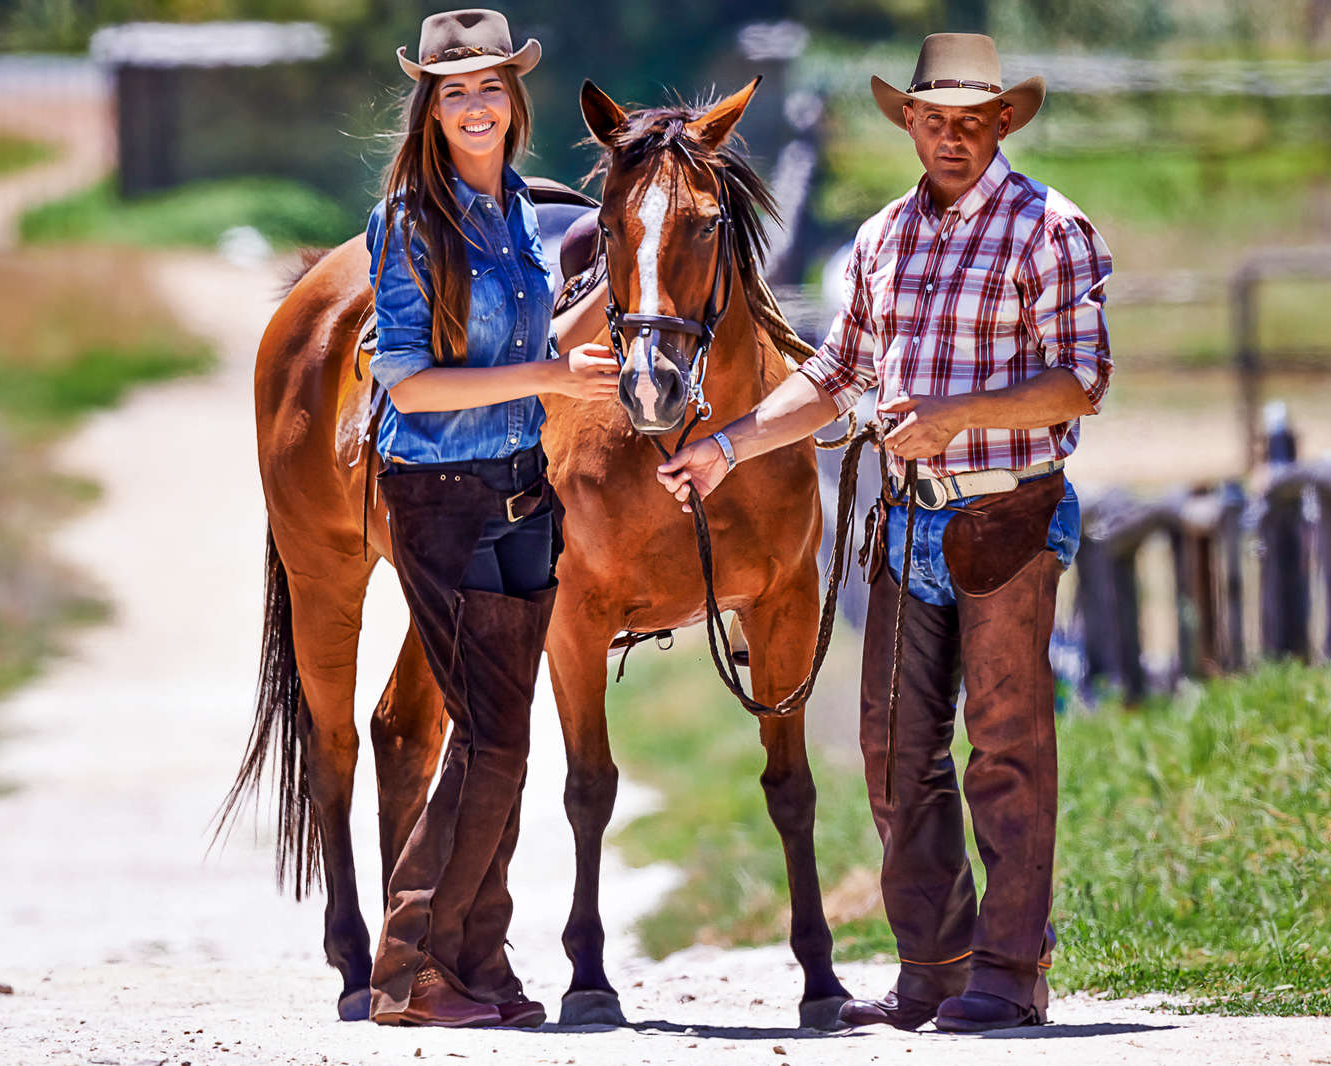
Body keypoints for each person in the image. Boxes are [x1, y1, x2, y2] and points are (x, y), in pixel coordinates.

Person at [657, 33, 1112, 1034]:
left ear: (1001, 122)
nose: (950, 137)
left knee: (1004, 743)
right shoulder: (880, 240)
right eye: (932, 119)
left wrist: (955, 413)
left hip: (1010, 509)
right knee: (894, 751)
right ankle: (934, 967)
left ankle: (1009, 968)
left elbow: (1081, 379)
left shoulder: (1050, 229)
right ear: (907, 121)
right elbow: (834, 377)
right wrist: (727, 446)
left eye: (970, 121)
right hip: (906, 515)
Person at [364, 8, 618, 1028]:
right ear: (431, 108)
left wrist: (606, 310)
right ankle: (410, 966)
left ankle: (480, 965)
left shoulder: (519, 211)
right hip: (439, 496)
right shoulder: (409, 223)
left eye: (491, 87)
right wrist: (551, 376)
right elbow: (410, 385)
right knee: (490, 737)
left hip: (520, 483)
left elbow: (531, 340)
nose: (476, 104)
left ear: (516, 101)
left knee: (504, 735)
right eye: (455, 90)